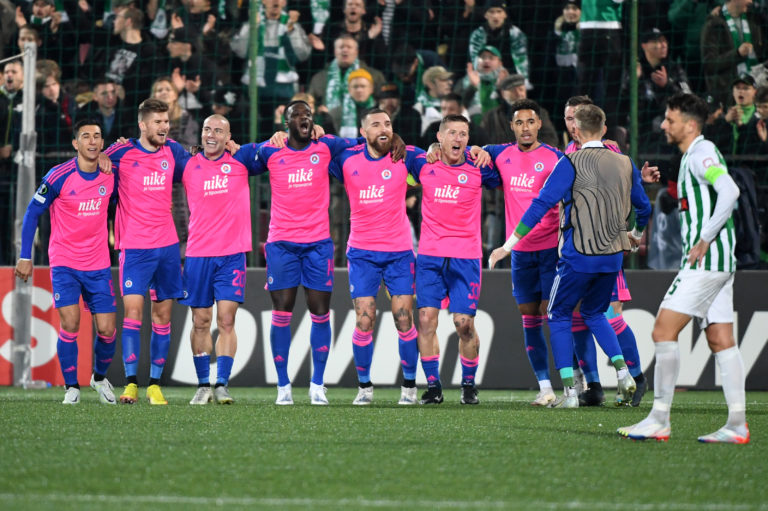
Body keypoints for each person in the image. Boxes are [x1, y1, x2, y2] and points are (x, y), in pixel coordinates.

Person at [490, 104, 652, 408]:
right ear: (604, 129)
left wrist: (508, 245)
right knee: (595, 313)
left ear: (575, 130)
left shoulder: (569, 162)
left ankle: (570, 393)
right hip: (612, 257)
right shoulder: (625, 162)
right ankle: (624, 374)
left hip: (578, 255)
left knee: (558, 314)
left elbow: (541, 205)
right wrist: (636, 234)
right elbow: (644, 207)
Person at [618, 93, 748, 443]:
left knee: (663, 330)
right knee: (721, 339)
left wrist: (704, 238)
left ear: (689, 125)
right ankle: (737, 424)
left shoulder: (702, 153)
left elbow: (730, 190)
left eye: (670, 119)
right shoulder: (694, 154)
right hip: (719, 262)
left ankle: (659, 418)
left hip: (706, 262)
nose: (664, 125)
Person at [250, 100, 387, 406]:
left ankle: (317, 385)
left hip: (318, 244)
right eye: (297, 115)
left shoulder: (326, 145)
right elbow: (240, 156)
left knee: (320, 312)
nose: (304, 119)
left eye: (308, 115)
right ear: (286, 123)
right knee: (281, 312)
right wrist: (225, 145)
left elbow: (364, 143)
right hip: (282, 244)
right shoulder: (271, 149)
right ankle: (283, 386)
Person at [15, 120, 117, 405]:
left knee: (107, 330)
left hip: (98, 264)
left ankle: (99, 378)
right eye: (86, 136)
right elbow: (32, 213)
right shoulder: (58, 176)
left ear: (102, 143)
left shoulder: (111, 174)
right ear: (75, 143)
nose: (92, 141)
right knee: (71, 324)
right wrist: (25, 256)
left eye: (97, 136)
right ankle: (72, 387)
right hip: (65, 263)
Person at [328, 108, 424, 405]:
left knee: (404, 320)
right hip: (362, 253)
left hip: (399, 252)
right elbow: (315, 152)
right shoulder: (346, 159)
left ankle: (409, 387)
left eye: (388, 124)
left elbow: (437, 155)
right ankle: (365, 388)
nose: (383, 128)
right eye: (376, 124)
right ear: (362, 131)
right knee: (364, 320)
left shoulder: (405, 155)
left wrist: (434, 146)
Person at [563, 94, 654, 407]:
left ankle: (636, 377)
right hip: (577, 250)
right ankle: (594, 386)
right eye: (568, 118)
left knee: (610, 316)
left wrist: (635, 231)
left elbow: (625, 188)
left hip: (605, 248)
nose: (573, 124)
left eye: (578, 117)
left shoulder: (611, 151)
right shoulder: (567, 154)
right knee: (578, 319)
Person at [105, 98, 189, 406]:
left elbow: (198, 161)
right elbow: (95, 159)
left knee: (163, 315)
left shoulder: (173, 151)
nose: (164, 127)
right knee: (133, 313)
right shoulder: (122, 152)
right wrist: (102, 156)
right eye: (158, 122)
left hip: (167, 246)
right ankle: (130, 384)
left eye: (166, 121)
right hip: (134, 247)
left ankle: (154, 385)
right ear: (143, 125)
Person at [483, 99, 564, 406]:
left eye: (530, 121)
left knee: (556, 315)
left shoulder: (555, 157)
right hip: (519, 253)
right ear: (512, 126)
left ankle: (576, 382)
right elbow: (479, 150)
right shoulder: (502, 154)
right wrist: (478, 149)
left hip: (551, 250)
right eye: (519, 122)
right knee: (529, 316)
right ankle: (545, 387)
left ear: (539, 124)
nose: (525, 128)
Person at [414, 114, 498, 405]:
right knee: (426, 320)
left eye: (463, 133)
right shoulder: (423, 163)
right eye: (452, 133)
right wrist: (428, 149)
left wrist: (486, 151)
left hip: (466, 257)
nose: (458, 138)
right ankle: (433, 386)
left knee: (464, 325)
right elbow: (396, 150)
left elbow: (509, 164)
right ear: (440, 137)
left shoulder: (479, 167)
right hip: (430, 255)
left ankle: (468, 385)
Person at [183, 115, 260, 405]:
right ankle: (203, 384)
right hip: (198, 255)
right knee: (200, 321)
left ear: (228, 137)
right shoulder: (187, 163)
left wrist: (279, 136)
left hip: (231, 255)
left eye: (218, 130)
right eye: (207, 129)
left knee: (227, 320)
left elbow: (273, 152)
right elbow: (154, 157)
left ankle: (222, 384)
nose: (211, 135)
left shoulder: (241, 160)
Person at [701, 0, 766, 107]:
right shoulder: (714, 24)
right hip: (728, 97)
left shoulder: (754, 19)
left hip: (757, 90)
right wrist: (737, 54)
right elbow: (710, 64)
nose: (751, 1)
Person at [480, 74, 558, 146]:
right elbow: (482, 142)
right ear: (503, 94)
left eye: (521, 89)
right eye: (513, 90)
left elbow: (550, 139)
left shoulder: (540, 113)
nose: (518, 94)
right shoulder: (490, 117)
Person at [468, 0, 530, 87]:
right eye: (491, 12)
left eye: (499, 11)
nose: (495, 16)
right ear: (485, 15)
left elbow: (521, 61)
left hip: (510, 76)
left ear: (505, 14)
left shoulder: (516, 34)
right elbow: (476, 61)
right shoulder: (477, 35)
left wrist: (522, 82)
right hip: (485, 76)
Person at [76, 78, 133, 146]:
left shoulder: (127, 113)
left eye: (113, 92)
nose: (110, 97)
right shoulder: (84, 114)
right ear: (95, 97)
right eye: (104, 93)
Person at [328, 68, 375, 137]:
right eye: (355, 87)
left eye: (363, 86)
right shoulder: (336, 113)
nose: (359, 90)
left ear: (371, 89)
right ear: (349, 89)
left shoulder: (380, 110)